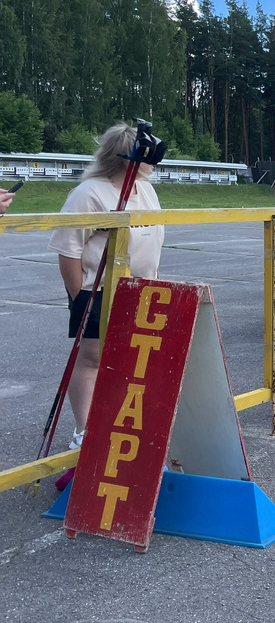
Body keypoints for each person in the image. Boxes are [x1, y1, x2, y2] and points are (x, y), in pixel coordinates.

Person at [48, 123, 166, 488]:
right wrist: (79, 298)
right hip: (96, 289)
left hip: (139, 288)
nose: (153, 165)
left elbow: (154, 240)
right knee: (92, 358)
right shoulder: (88, 193)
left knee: (131, 361)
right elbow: (69, 250)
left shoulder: (146, 190)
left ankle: (120, 425)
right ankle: (84, 430)